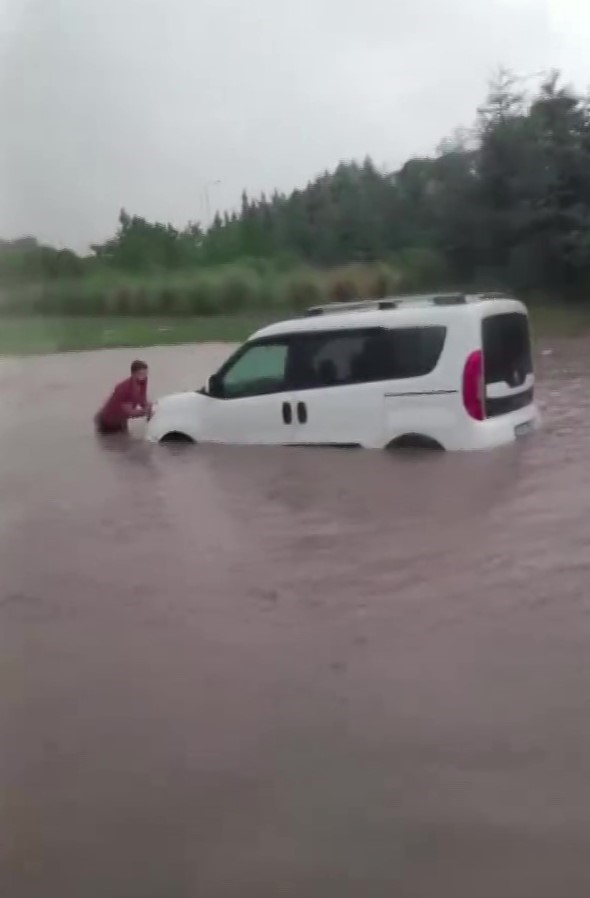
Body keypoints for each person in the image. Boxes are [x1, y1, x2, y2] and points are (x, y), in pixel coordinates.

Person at [94, 360, 152, 435]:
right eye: (141, 374)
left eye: (145, 373)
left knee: (125, 440)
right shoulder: (125, 388)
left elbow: (143, 399)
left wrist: (150, 408)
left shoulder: (143, 380)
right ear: (133, 374)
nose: (143, 376)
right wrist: (145, 411)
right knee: (114, 439)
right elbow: (130, 412)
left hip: (121, 419)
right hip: (108, 421)